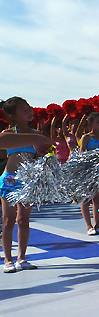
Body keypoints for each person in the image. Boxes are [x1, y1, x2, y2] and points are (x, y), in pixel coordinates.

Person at [0, 99, 52, 273]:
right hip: (10, 180)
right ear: (11, 116)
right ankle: (8, 259)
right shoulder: (8, 133)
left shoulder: (37, 133)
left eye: (29, 108)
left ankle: (22, 257)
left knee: (23, 220)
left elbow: (41, 158)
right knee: (8, 220)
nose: (29, 112)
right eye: (24, 110)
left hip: (28, 182)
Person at [79, 112, 99, 235]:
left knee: (97, 199)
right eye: (98, 122)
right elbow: (81, 154)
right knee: (86, 199)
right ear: (90, 124)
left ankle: (97, 225)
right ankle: (88, 226)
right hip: (88, 171)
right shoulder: (86, 137)